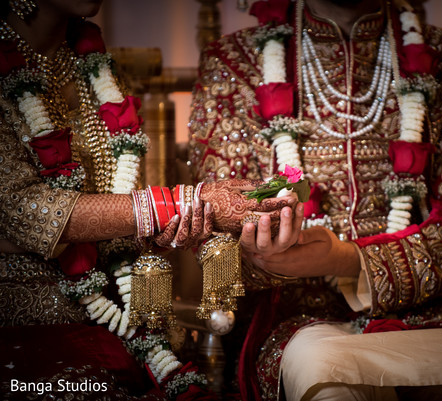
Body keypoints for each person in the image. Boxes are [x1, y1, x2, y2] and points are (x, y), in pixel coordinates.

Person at [188, 0, 442, 400]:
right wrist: (262, 258)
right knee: (328, 382)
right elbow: (215, 244)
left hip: (439, 315)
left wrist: (347, 259)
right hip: (300, 320)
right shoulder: (235, 62)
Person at [0, 0, 296, 399]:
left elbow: (132, 200)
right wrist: (182, 202)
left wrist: (165, 232)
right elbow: (21, 209)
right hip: (25, 328)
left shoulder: (97, 69)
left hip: (127, 318)